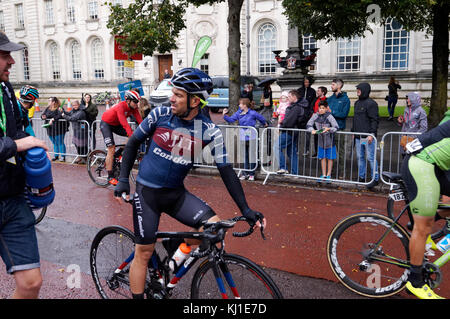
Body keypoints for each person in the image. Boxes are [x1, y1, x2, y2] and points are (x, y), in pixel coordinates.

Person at [113, 67, 266, 299]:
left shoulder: (209, 130)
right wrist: (123, 179)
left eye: (178, 95)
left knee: (213, 229)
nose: (171, 98)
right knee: (143, 252)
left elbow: (226, 171)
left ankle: (175, 249)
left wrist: (245, 209)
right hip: (147, 194)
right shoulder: (159, 114)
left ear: (195, 101)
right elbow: (133, 143)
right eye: (172, 92)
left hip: (175, 194)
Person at [0, 31, 49, 299]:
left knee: (31, 283)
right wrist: (19, 144)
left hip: (12, 198)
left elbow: (16, 131)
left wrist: (34, 147)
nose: (12, 61)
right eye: (5, 55)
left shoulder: (6, 88)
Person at [401, 119, 450, 299]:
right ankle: (415, 282)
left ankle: (425, 222)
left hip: (438, 165)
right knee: (423, 227)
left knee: (428, 220)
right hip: (421, 164)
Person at [100, 90, 142, 185]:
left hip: (116, 124)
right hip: (106, 124)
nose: (137, 104)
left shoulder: (133, 108)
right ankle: (110, 176)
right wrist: (132, 135)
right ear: (128, 101)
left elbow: (140, 121)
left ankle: (118, 153)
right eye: (135, 101)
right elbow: (124, 124)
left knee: (133, 135)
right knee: (111, 148)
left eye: (137, 101)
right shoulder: (120, 107)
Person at [222, 97, 267, 181]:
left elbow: (262, 119)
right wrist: (224, 115)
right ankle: (245, 173)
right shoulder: (239, 113)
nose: (239, 105)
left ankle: (251, 174)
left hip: (252, 137)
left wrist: (265, 124)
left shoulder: (253, 113)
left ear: (245, 105)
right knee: (245, 156)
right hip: (243, 137)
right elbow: (231, 119)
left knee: (252, 156)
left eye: (240, 104)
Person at [351, 83, 379, 189]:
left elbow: (374, 120)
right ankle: (361, 177)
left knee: (371, 158)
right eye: (357, 89)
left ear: (364, 90)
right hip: (358, 137)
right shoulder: (357, 103)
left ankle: (375, 178)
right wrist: (353, 131)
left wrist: (372, 134)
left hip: (368, 137)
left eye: (359, 89)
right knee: (360, 157)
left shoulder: (372, 104)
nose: (357, 91)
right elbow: (355, 119)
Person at [306, 100, 339, 182]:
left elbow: (336, 127)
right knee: (322, 158)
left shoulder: (330, 116)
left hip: (330, 142)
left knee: (330, 158)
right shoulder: (315, 115)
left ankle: (328, 175)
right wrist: (312, 130)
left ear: (326, 109)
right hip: (320, 142)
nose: (320, 110)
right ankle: (323, 174)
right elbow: (308, 124)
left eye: (322, 108)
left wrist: (328, 129)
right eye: (319, 108)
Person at [276, 90, 305, 175]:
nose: (288, 99)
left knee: (276, 146)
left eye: (289, 97)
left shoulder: (295, 108)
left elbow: (289, 122)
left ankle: (283, 167)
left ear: (294, 97)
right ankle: (294, 173)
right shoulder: (295, 106)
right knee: (292, 152)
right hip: (292, 131)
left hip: (289, 131)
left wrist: (281, 124)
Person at [41, 97, 69, 162]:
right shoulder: (48, 108)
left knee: (60, 142)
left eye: (49, 100)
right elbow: (43, 115)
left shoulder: (59, 108)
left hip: (59, 128)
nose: (48, 102)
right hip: (50, 128)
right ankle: (56, 156)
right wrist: (43, 116)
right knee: (54, 143)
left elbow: (60, 115)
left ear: (53, 102)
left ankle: (62, 157)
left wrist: (53, 119)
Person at [61, 100, 88, 164]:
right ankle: (81, 156)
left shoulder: (81, 112)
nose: (74, 106)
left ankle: (84, 158)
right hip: (76, 131)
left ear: (79, 105)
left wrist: (63, 116)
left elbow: (72, 118)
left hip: (82, 131)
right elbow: (69, 113)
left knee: (82, 145)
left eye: (76, 105)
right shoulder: (74, 110)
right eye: (73, 105)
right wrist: (62, 110)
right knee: (77, 144)